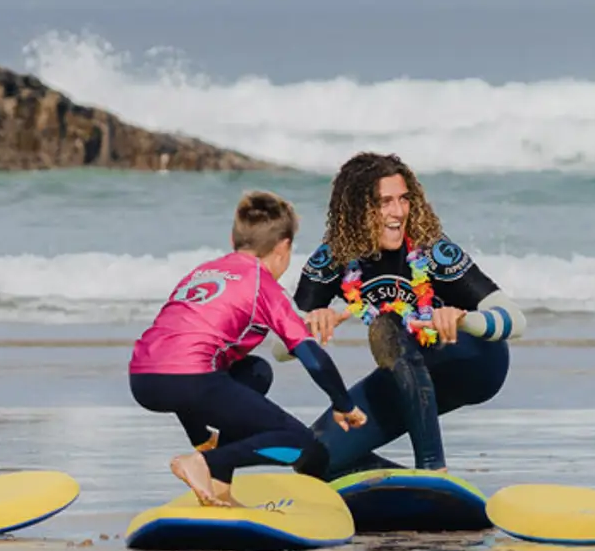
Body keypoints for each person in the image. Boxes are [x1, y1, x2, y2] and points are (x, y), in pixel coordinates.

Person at [294, 152, 526, 476]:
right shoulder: (332, 259)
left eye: (404, 199)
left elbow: (516, 320)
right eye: (385, 202)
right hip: (406, 375)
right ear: (358, 209)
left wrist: (463, 320)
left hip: (472, 361)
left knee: (386, 325)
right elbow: (281, 348)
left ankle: (434, 471)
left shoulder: (431, 249)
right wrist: (310, 323)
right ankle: (404, 486)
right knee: (313, 459)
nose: (398, 212)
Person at [130, 191, 367, 506]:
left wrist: (200, 436)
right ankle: (204, 464)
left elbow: (174, 351)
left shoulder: (203, 272)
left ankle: (218, 483)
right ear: (283, 247)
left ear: (234, 239)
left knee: (255, 372)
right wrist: (344, 403)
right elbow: (310, 355)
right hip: (192, 381)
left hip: (143, 379)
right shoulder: (263, 285)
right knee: (300, 444)